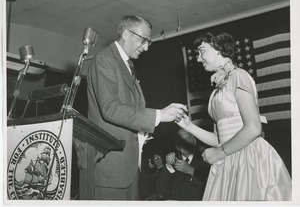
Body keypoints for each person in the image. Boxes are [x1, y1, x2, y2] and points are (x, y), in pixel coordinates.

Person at [176, 30, 292, 201]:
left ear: (219, 49)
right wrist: (188, 126)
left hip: (249, 157)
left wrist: (219, 153)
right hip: (229, 157)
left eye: (202, 51)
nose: (199, 58)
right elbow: (219, 139)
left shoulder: (239, 76)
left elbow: (253, 127)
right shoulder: (217, 90)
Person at [86, 15, 187, 200]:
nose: (147, 47)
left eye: (149, 42)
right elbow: (110, 108)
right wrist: (158, 115)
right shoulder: (104, 59)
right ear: (126, 34)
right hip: (111, 168)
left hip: (128, 167)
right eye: (144, 40)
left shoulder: (127, 64)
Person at [161, 128, 210, 200]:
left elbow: (211, 188)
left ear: (194, 141)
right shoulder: (173, 162)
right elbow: (160, 189)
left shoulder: (206, 161)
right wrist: (168, 166)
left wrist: (191, 171)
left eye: (188, 138)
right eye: (181, 140)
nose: (184, 143)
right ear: (177, 146)